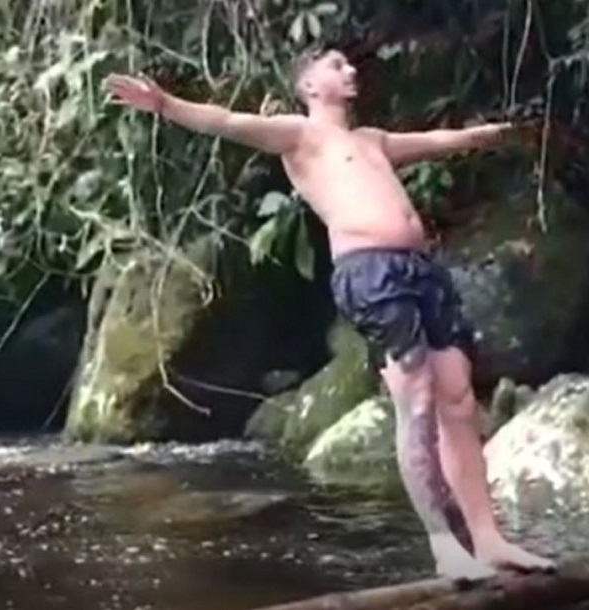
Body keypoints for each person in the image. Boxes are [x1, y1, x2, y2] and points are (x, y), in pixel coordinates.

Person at [103, 45, 556, 581]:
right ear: (310, 86)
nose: (350, 70)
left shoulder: (372, 142)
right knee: (417, 397)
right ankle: (444, 545)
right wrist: (166, 105)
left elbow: (436, 143)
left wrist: (492, 135)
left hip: (421, 270)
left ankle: (489, 539)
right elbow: (228, 122)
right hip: (369, 274)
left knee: (458, 398)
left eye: (349, 64)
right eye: (336, 65)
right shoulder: (300, 135)